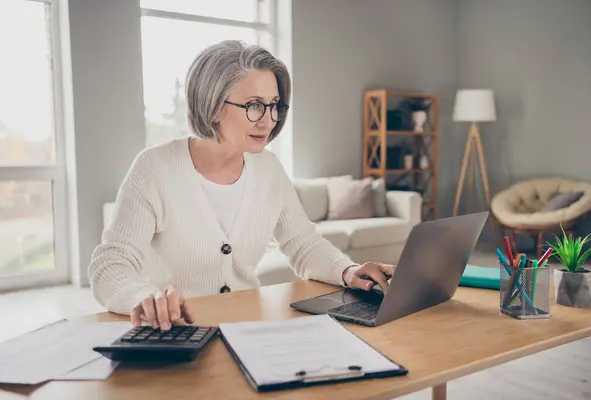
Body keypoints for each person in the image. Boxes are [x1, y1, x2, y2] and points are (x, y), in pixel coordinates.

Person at [88, 40, 395, 331]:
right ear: (212, 104)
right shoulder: (155, 168)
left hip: (249, 330)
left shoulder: (268, 170)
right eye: (254, 105)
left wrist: (348, 271)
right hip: (178, 335)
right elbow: (111, 264)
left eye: (274, 105)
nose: (268, 120)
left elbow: (303, 244)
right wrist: (145, 298)